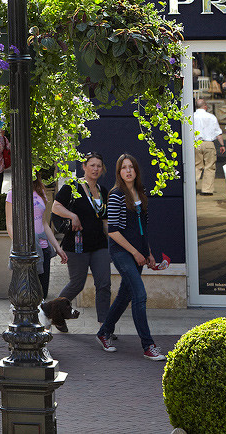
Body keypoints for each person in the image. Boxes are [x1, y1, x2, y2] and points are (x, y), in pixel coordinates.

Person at [96, 153, 166, 360]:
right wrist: (135, 253)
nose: (128, 171)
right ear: (119, 173)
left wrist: (148, 253)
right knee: (139, 295)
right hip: (121, 252)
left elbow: (143, 228)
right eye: (123, 168)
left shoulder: (140, 192)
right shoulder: (117, 194)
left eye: (131, 167)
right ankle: (148, 345)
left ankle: (103, 332)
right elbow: (113, 231)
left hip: (138, 252)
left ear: (136, 171)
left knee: (125, 295)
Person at [46, 153, 110, 331]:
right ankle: (53, 314)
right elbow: (56, 207)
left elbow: (104, 220)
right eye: (92, 165)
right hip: (77, 245)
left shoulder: (103, 191)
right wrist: (73, 215)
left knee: (104, 284)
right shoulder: (72, 187)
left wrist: (112, 240)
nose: (96, 169)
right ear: (84, 167)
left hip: (99, 245)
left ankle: (104, 326)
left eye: (99, 166)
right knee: (77, 284)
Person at [6, 171, 67, 300]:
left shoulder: (40, 192)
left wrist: (57, 247)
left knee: (42, 293)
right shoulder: (12, 194)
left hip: (43, 249)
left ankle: (41, 319)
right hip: (25, 250)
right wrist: (20, 245)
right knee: (26, 293)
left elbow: (44, 223)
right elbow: (10, 224)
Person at [191, 98, 224, 195]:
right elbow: (218, 132)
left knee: (196, 166)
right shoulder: (211, 117)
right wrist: (222, 145)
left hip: (196, 143)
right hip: (208, 143)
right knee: (209, 166)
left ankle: (192, 186)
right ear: (205, 106)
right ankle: (207, 190)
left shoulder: (192, 116)